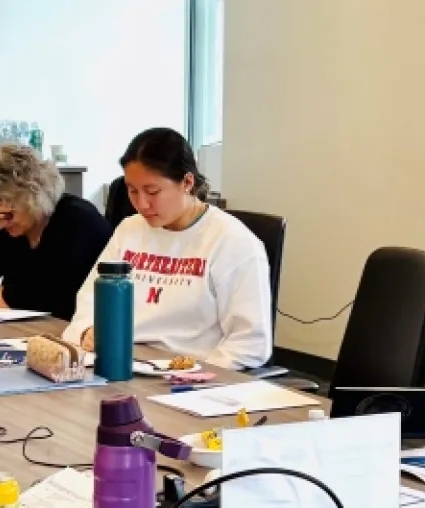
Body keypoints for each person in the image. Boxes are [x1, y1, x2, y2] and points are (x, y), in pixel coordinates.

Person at [64, 128, 273, 368]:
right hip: (121, 363)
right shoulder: (129, 230)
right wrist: (86, 331)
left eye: (152, 191)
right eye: (132, 190)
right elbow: (90, 299)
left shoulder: (233, 242)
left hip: (189, 375)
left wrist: (192, 375)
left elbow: (250, 342)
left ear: (187, 182)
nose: (141, 204)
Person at [0, 143, 110, 319]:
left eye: (7, 215)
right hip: (36, 329)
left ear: (33, 199)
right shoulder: (7, 225)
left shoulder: (77, 220)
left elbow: (47, 297)